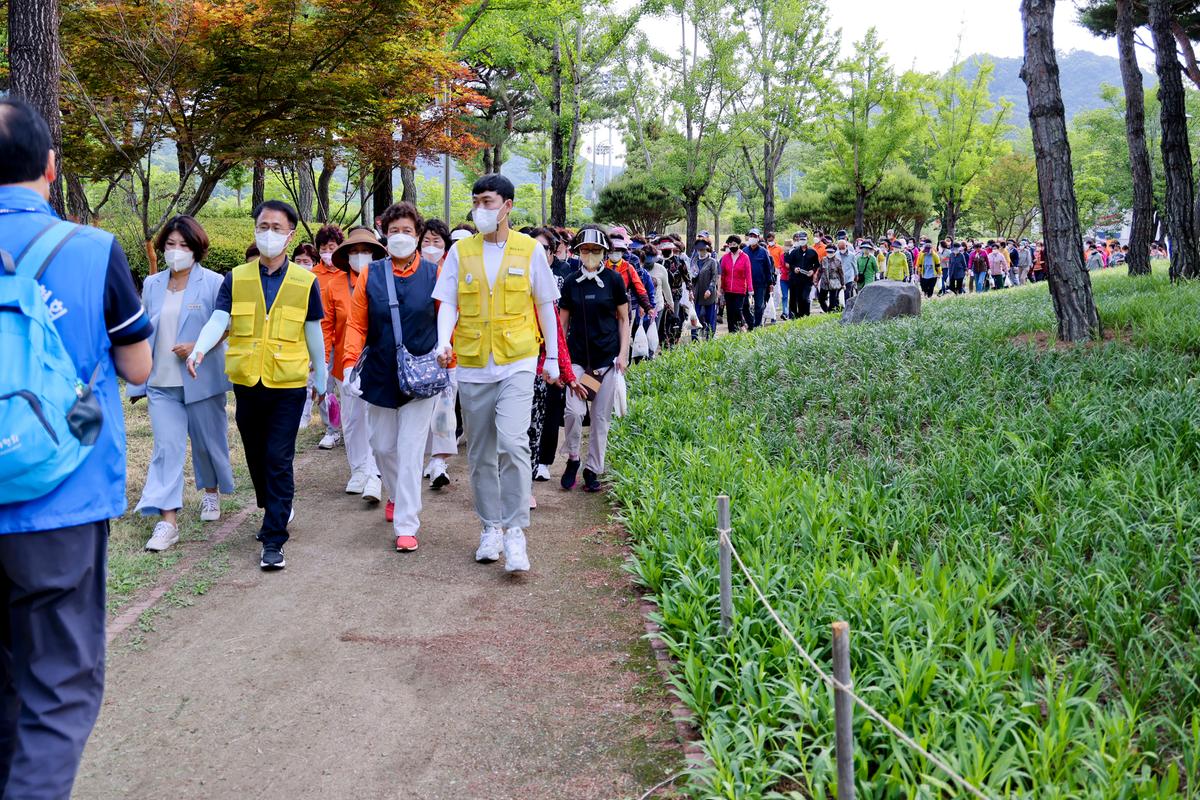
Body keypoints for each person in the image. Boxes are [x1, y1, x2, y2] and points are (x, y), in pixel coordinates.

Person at [0, 98, 153, 799]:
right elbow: (139, 368)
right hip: (60, 496)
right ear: (51, 169)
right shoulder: (92, 251)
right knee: (58, 684)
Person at [187, 200, 326, 571]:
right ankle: (274, 506)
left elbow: (313, 332)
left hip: (288, 383)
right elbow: (220, 320)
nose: (269, 233)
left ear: (290, 234)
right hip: (248, 380)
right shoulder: (237, 277)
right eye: (263, 225)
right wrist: (199, 349)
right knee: (255, 454)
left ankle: (274, 537)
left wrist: (323, 378)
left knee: (278, 457)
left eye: (277, 228)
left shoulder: (306, 281)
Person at [432, 174, 561, 573]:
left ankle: (516, 532)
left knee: (513, 441)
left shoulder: (528, 250)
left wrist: (552, 357)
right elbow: (448, 302)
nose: (480, 209)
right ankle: (490, 528)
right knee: (482, 452)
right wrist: (444, 341)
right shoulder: (461, 252)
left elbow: (545, 306)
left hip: (518, 360)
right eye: (476, 202)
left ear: (507, 206)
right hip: (472, 364)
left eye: (487, 202)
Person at [128, 215, 234, 552]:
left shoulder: (215, 282)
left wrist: (198, 345)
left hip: (200, 379)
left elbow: (228, 327)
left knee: (207, 442)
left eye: (184, 245)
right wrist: (138, 381)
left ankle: (211, 492)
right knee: (166, 449)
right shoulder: (153, 284)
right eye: (171, 244)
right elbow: (143, 331)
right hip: (162, 383)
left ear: (197, 248)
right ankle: (167, 522)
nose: (176, 251)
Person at [338, 202, 440, 552]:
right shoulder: (371, 274)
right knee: (382, 445)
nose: (400, 237)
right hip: (380, 373)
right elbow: (356, 322)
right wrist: (350, 362)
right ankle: (395, 493)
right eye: (394, 231)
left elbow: (446, 321)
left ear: (418, 235)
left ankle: (407, 524)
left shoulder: (433, 273)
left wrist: (448, 353)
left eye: (407, 231)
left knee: (411, 450)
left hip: (421, 377)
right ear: (385, 232)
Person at [558, 226, 630, 492]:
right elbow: (562, 324)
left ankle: (593, 469)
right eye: (585, 250)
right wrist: (559, 360)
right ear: (577, 252)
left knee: (600, 419)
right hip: (578, 359)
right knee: (573, 413)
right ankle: (574, 458)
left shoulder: (614, 280)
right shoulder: (570, 282)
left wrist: (623, 354)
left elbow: (624, 319)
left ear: (604, 253)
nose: (590, 254)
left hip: (607, 361)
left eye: (596, 250)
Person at [326, 226, 385, 505]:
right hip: (344, 363)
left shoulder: (383, 279)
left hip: (378, 363)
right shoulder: (334, 284)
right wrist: (323, 361)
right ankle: (358, 469)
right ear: (347, 254)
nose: (360, 255)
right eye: (355, 251)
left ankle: (375, 474)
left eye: (366, 251)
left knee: (376, 418)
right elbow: (327, 326)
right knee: (352, 420)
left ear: (374, 254)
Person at [526, 227, 580, 502]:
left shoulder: (553, 285)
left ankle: (526, 484)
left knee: (533, 428)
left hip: (538, 372)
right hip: (501, 367)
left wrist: (566, 373)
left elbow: (556, 335)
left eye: (542, 249)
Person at [418, 219, 459, 493]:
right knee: (421, 411)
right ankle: (421, 459)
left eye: (437, 242)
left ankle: (438, 463)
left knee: (444, 410)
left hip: (448, 356)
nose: (431, 247)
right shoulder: (411, 273)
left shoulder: (452, 272)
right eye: (426, 242)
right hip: (418, 358)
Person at [313, 224, 346, 449]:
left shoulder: (347, 273)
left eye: (332, 247)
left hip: (344, 338)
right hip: (322, 338)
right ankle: (332, 428)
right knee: (324, 385)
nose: (327, 252)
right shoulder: (313, 275)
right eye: (323, 247)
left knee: (349, 387)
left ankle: (354, 426)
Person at [742, 228, 774, 329]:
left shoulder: (764, 252)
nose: (752, 238)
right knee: (744, 305)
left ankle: (757, 324)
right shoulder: (744, 251)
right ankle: (751, 323)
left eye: (754, 236)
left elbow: (768, 269)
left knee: (759, 306)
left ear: (758, 238)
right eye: (751, 236)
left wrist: (770, 283)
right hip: (746, 283)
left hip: (760, 283)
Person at [720, 235, 752, 332]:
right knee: (730, 312)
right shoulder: (725, 258)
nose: (732, 246)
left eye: (734, 244)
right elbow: (722, 274)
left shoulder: (745, 257)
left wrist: (750, 289)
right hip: (728, 289)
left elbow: (748, 274)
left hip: (740, 289)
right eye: (730, 244)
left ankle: (742, 325)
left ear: (738, 244)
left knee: (738, 310)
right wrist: (721, 288)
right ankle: (732, 332)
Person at [785, 232, 819, 318]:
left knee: (805, 297)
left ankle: (806, 315)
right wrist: (794, 268)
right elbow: (789, 264)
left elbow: (817, 264)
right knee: (799, 298)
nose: (802, 241)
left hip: (807, 279)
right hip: (796, 279)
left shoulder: (812, 252)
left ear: (807, 240)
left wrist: (813, 271)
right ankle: (800, 316)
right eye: (800, 239)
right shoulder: (794, 252)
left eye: (804, 239)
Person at [691, 237, 720, 340]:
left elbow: (714, 277)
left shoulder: (712, 262)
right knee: (695, 316)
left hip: (709, 294)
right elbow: (691, 277)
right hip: (697, 293)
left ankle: (710, 338)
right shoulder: (694, 261)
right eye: (699, 249)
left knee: (710, 317)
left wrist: (710, 289)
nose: (701, 251)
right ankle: (694, 339)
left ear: (707, 249)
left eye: (702, 249)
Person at [817, 245, 844, 312]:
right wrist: (816, 280)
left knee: (833, 301)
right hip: (824, 283)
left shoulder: (838, 261)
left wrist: (843, 284)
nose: (829, 253)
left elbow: (841, 273)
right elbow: (820, 271)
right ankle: (826, 311)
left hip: (834, 283)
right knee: (821, 299)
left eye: (831, 252)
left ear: (834, 252)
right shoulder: (823, 260)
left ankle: (831, 313)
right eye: (828, 252)